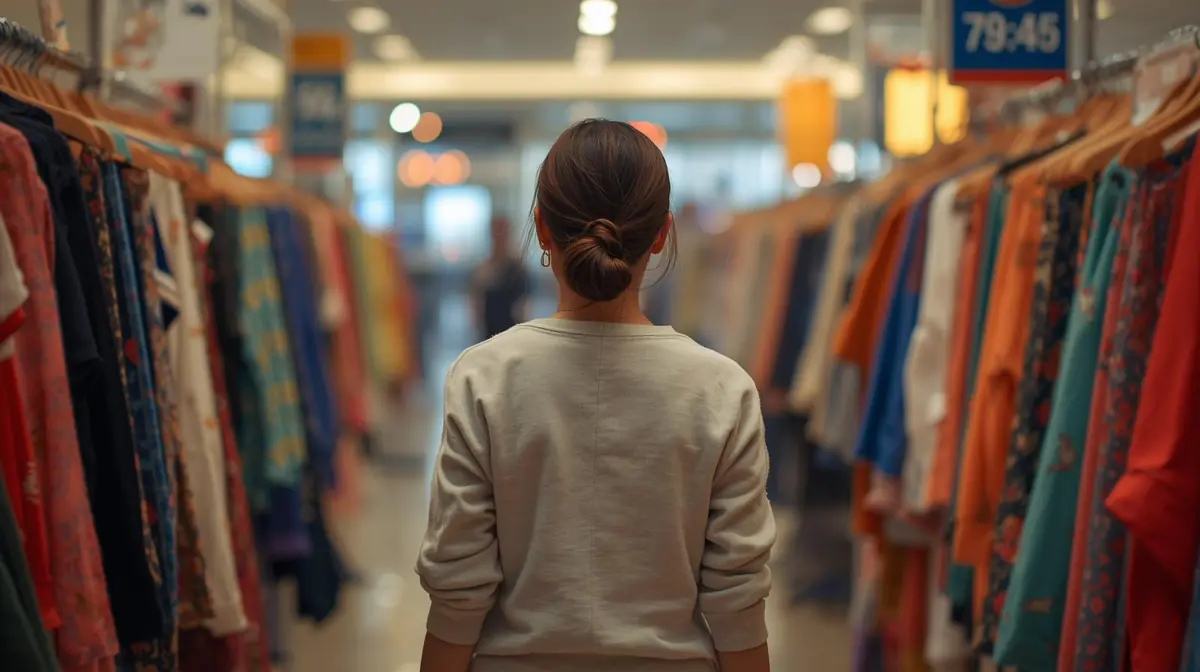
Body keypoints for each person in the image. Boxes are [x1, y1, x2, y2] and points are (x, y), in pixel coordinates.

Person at [416, 119, 776, 672]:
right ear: (661, 235)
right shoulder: (722, 390)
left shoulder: (483, 377)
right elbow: (738, 598)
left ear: (540, 228)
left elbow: (457, 588)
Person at [469, 215, 529, 342]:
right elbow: (476, 302)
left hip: (512, 332)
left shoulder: (516, 268)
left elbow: (523, 305)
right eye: (496, 231)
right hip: (489, 332)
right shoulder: (484, 269)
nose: (499, 236)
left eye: (502, 231)